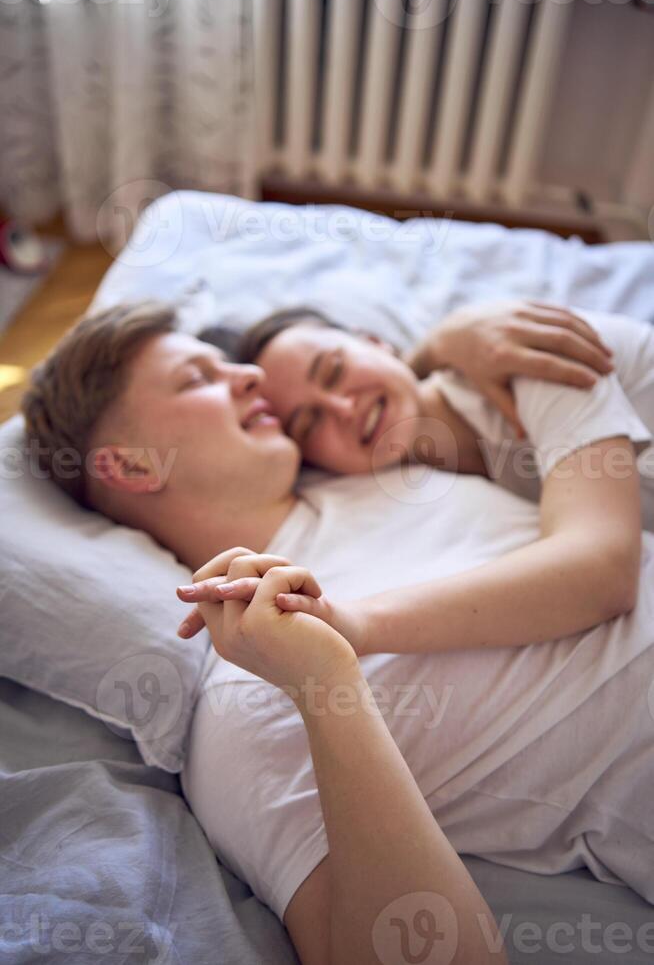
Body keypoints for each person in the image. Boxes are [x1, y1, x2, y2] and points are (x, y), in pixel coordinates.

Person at [21, 301, 654, 965]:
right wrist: (326, 681)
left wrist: (442, 340)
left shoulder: (372, 464)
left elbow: (371, 384)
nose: (245, 375)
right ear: (133, 468)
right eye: (198, 378)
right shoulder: (240, 710)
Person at [231, 300, 654, 525]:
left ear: (377, 342)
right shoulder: (416, 487)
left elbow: (599, 561)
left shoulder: (512, 352)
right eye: (310, 423)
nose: (342, 408)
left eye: (335, 370)